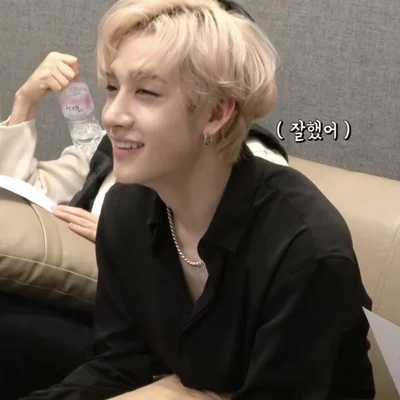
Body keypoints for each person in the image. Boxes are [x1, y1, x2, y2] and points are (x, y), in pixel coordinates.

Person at [23, 0, 375, 399]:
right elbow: (120, 366)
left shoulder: (304, 248)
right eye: (113, 88)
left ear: (215, 114)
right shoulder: (126, 210)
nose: (112, 116)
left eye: (146, 92)